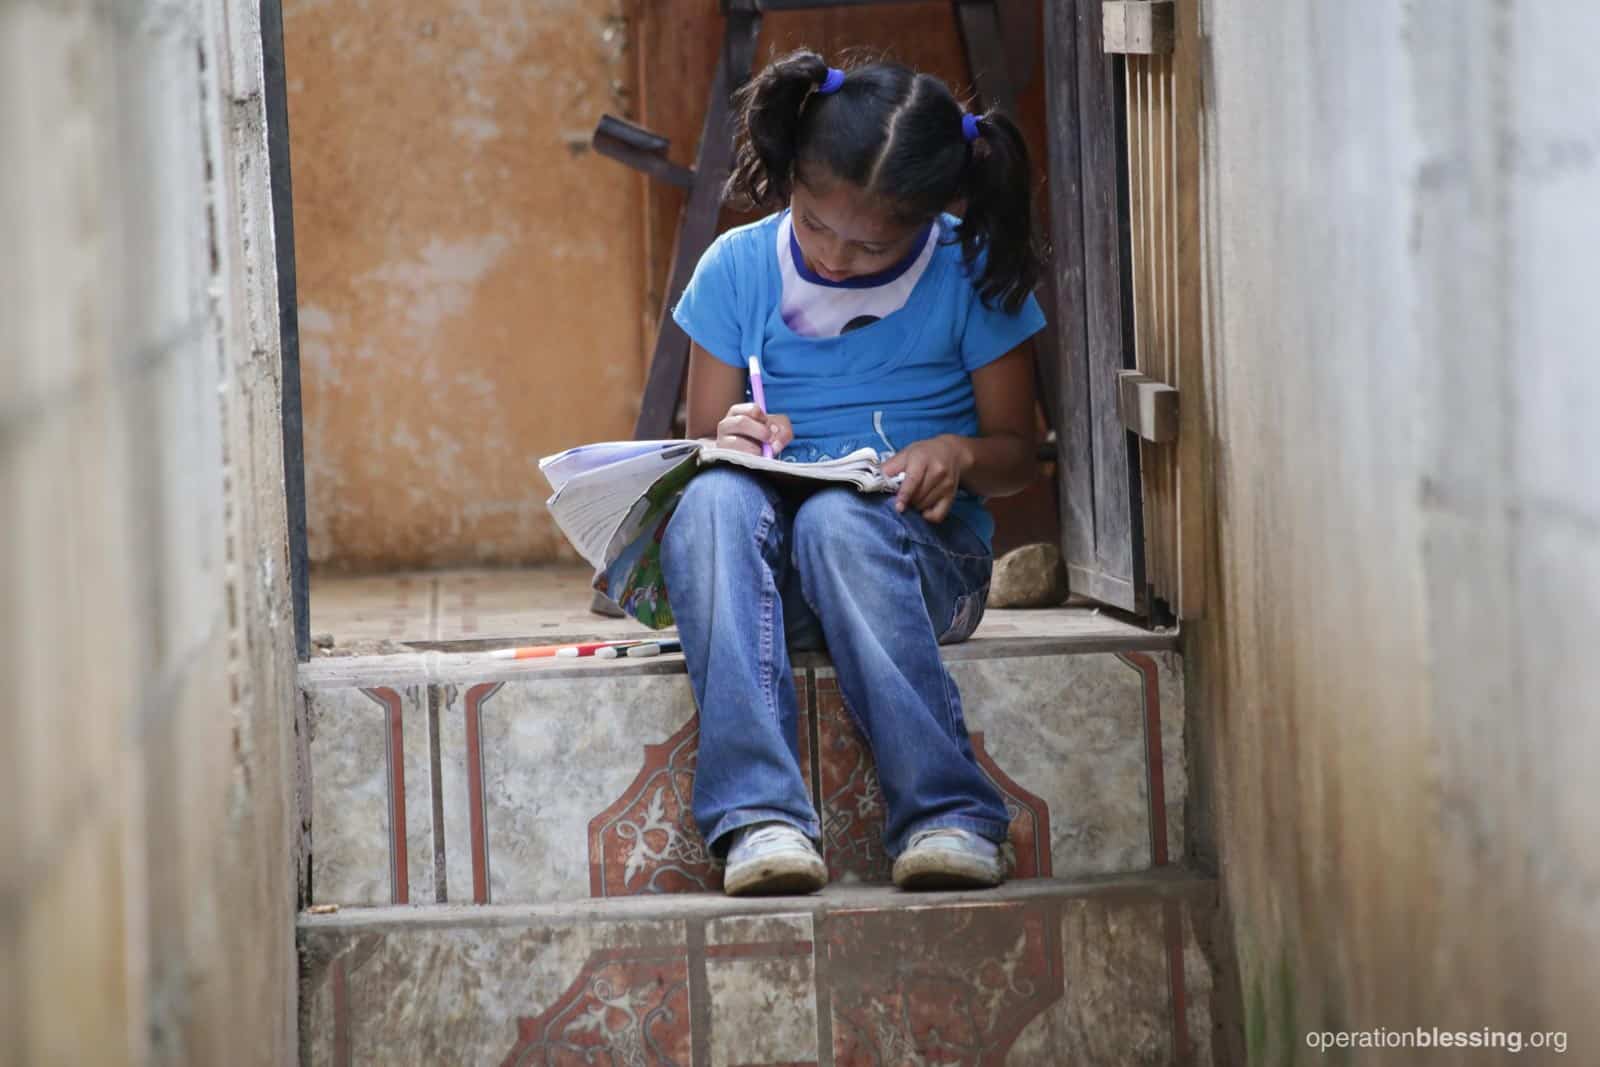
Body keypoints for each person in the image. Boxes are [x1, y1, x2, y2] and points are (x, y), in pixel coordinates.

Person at [660, 49, 1046, 896]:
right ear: (790, 180)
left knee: (839, 521)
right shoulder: (735, 269)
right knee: (712, 503)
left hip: (918, 569)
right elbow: (704, 446)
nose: (835, 257)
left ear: (928, 219)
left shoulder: (968, 272)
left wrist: (962, 452)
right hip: (770, 584)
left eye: (872, 245)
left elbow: (1020, 453)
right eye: (813, 224)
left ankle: (949, 812)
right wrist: (734, 433)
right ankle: (759, 818)